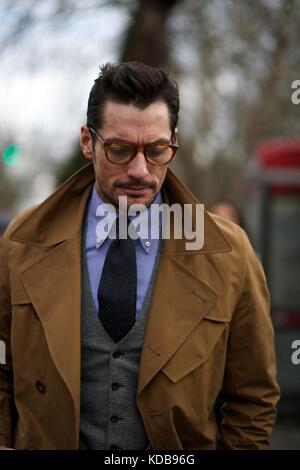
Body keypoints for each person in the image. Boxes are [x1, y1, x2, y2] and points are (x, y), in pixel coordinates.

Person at [0, 62, 280, 450]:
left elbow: (253, 396)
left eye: (157, 150)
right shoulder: (21, 243)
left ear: (173, 143)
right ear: (87, 141)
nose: (139, 170)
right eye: (119, 150)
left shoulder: (230, 253)